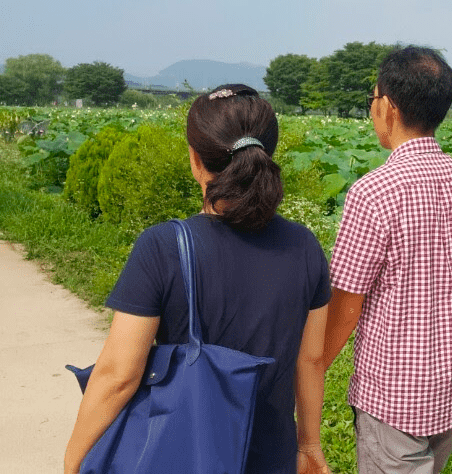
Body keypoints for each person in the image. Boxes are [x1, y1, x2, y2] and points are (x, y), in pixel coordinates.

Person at [64, 84, 333, 474]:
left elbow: (118, 375)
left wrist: (74, 458)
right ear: (266, 154)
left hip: (187, 454)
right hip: (272, 457)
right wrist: (309, 445)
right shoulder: (304, 246)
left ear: (194, 159)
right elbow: (309, 360)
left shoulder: (164, 246)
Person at [322, 46, 452, 474]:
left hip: (395, 401)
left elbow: (346, 305)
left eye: (373, 100)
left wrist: (312, 368)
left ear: (390, 108)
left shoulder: (374, 191)